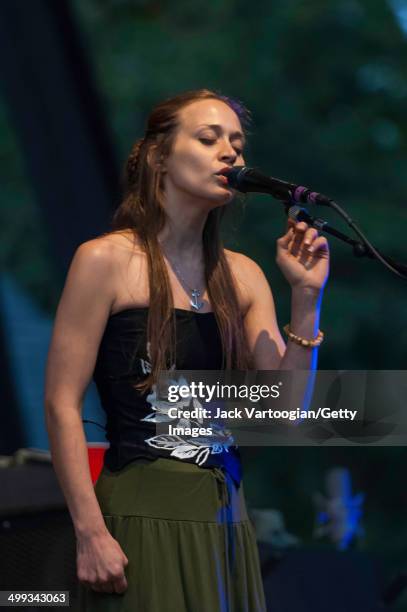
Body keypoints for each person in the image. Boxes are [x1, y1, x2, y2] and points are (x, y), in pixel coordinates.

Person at [44, 88, 329, 611]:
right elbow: (61, 402)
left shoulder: (242, 276)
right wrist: (89, 532)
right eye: (208, 138)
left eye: (237, 145)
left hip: (226, 519)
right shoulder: (105, 260)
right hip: (139, 513)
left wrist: (306, 299)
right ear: (159, 157)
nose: (230, 155)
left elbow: (285, 415)